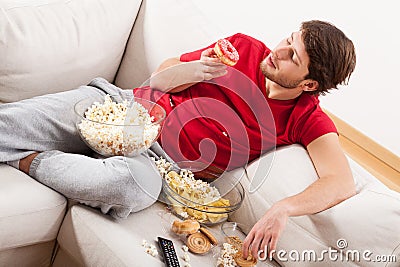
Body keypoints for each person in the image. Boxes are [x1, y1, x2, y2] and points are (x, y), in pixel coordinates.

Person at [0, 20, 356, 260]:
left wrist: (284, 208)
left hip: (156, 165)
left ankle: (25, 159)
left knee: (129, 192)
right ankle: (26, 143)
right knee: (9, 124)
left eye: (292, 56)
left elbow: (340, 182)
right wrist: (195, 69)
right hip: (127, 111)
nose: (278, 51)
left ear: (309, 84)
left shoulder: (306, 118)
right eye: (288, 41)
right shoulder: (243, 48)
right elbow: (162, 74)